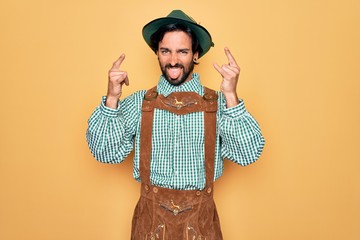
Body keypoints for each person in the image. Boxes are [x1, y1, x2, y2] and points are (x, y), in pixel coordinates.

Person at [86, 9, 265, 240]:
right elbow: (104, 153)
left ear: (196, 54)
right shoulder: (139, 103)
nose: (173, 60)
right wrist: (112, 97)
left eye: (182, 52)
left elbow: (248, 154)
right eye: (165, 51)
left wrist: (231, 95)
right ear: (157, 54)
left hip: (201, 226)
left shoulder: (220, 104)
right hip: (149, 226)